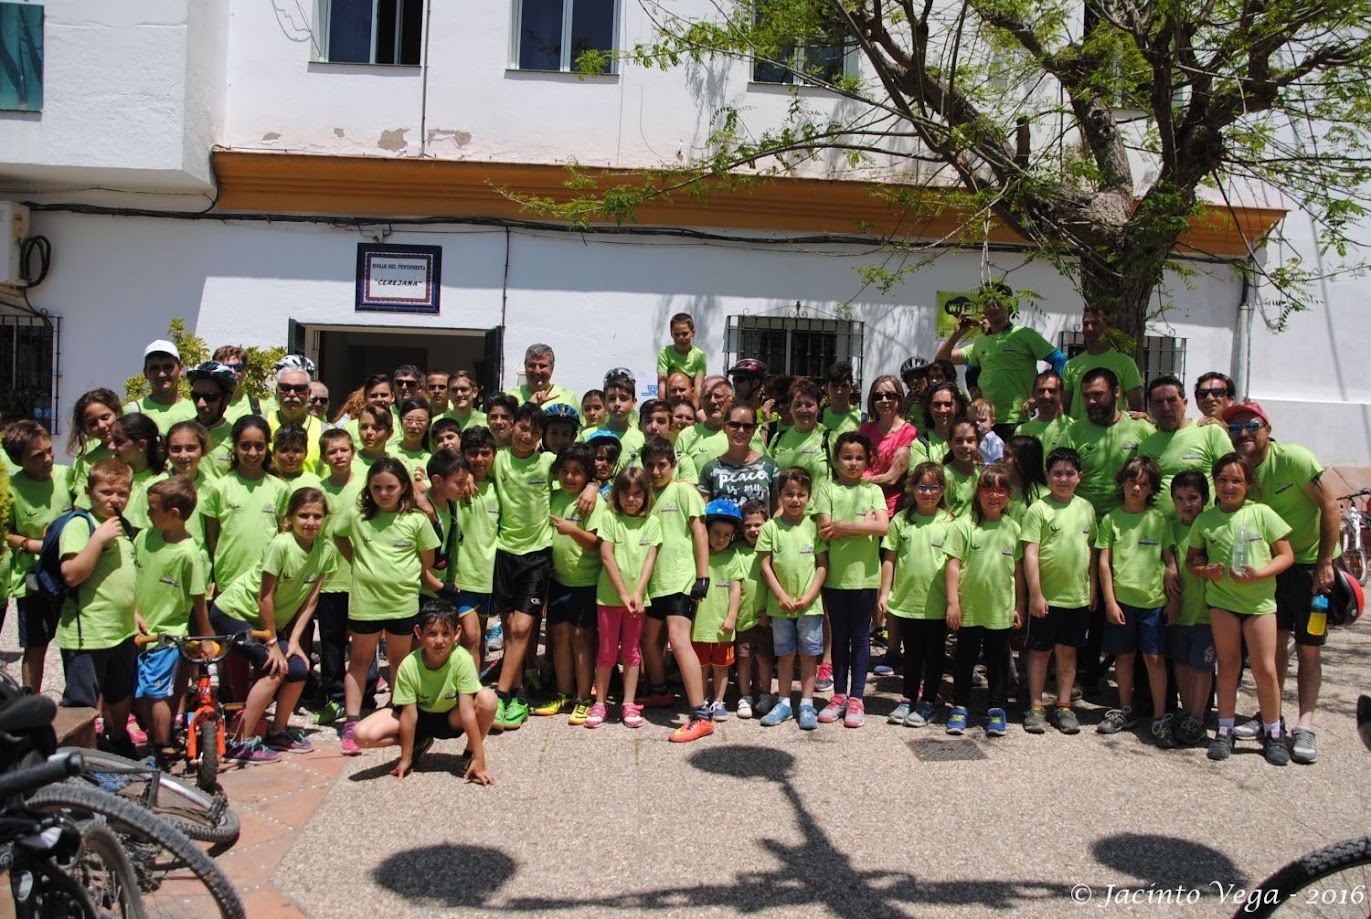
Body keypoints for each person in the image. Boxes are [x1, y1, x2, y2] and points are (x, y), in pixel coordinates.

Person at [1224, 401, 1340, 765]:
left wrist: (1325, 563)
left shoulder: (1293, 459)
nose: (1243, 433)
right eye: (1235, 428)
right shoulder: (1241, 472)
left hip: (1309, 569)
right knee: (1273, 648)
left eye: (1251, 426)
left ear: (1267, 429)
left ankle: (1305, 725)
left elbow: (1330, 506)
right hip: (1271, 569)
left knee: (1308, 648)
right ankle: (1269, 715)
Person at [210, 487, 333, 762]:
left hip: (266, 624)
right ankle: (240, 742)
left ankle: (277, 732)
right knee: (274, 668)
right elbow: (264, 597)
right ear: (289, 518)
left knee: (298, 670)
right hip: (233, 612)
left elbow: (310, 602)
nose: (310, 522)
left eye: (317, 516)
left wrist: (295, 642)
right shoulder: (281, 545)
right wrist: (273, 642)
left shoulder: (325, 550)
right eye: (303, 515)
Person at [1186, 453, 1294, 766]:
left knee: (1265, 669)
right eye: (1222, 480)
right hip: (1223, 602)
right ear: (1214, 483)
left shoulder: (1261, 513)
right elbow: (1192, 560)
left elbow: (1286, 555)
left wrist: (1260, 574)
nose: (1229, 486)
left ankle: (1273, 732)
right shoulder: (1206, 520)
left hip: (1259, 604)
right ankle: (1225, 730)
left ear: (1248, 484)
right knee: (1228, 666)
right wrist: (1204, 570)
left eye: (1237, 480)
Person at [334, 458, 445, 754]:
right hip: (365, 602)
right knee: (359, 661)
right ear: (368, 488)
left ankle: (397, 714)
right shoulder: (357, 516)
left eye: (390, 487)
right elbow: (338, 536)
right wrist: (358, 562)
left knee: (399, 661)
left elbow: (427, 558)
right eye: (376, 488)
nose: (383, 493)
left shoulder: (416, 520)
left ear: (404, 487)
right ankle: (351, 721)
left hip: (402, 602)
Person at [352, 603, 496, 784]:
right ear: (419, 633)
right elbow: (409, 715)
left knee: (488, 699)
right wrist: (405, 758)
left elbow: (467, 712)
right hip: (419, 718)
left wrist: (480, 757)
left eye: (446, 633)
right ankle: (417, 743)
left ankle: (470, 755)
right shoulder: (409, 665)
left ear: (457, 633)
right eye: (432, 633)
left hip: (450, 719)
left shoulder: (462, 659)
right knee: (361, 735)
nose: (439, 640)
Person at [1095, 456, 1179, 743]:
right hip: (1122, 601)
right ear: (1122, 482)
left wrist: (1174, 600)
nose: (1136, 489)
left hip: (1153, 602)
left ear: (1152, 488)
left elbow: (1170, 561)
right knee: (1124, 657)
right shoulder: (1111, 520)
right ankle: (1124, 709)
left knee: (1154, 659)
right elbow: (1104, 563)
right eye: (1132, 482)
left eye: (1144, 484)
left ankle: (1160, 716)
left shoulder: (1159, 519)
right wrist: (1109, 601)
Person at [57, 458, 138, 754]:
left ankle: (116, 743)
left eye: (122, 493)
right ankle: (81, 758)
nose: (114, 499)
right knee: (82, 704)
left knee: (120, 693)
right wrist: (97, 540)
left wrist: (135, 613)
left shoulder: (123, 528)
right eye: (106, 492)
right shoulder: (81, 525)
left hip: (121, 630)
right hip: (89, 632)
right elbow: (71, 574)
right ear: (89, 491)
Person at [637, 436, 714, 741]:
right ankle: (660, 691)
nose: (656, 471)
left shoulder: (683, 491)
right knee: (648, 641)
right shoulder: (643, 495)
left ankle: (700, 715)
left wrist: (703, 576)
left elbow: (699, 532)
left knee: (679, 640)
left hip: (680, 578)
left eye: (662, 465)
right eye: (650, 465)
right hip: (654, 582)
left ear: (673, 464)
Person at [488, 404, 560, 730]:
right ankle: (517, 696)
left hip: (537, 555)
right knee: (509, 632)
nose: (527, 435)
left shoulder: (547, 462)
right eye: (522, 427)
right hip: (504, 552)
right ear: (512, 426)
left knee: (521, 629)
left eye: (534, 431)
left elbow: (584, 472)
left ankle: (502, 695)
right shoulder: (498, 459)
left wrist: (590, 486)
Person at [133, 479, 212, 759]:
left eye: (153, 509)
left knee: (159, 695)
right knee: (139, 692)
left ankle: (161, 746)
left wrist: (205, 638)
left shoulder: (190, 555)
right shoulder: (144, 537)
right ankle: (154, 737)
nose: (148, 514)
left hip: (166, 637)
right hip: (134, 631)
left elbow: (199, 601)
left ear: (174, 513)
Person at [944, 463, 1024, 737]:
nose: (994, 496)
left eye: (1001, 490)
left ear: (1009, 495)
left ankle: (996, 708)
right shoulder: (964, 525)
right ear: (978, 493)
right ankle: (959, 706)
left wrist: (1019, 605)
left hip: (1000, 610)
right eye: (988, 489)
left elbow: (1019, 572)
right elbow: (953, 565)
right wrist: (953, 603)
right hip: (968, 608)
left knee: (998, 661)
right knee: (964, 659)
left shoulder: (1013, 528)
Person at [1020, 447, 1096, 735]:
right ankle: (1036, 706)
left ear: (1079, 477)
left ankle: (1063, 705)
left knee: (1068, 653)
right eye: (1057, 473)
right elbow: (1030, 554)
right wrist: (1036, 594)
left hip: (1076, 597)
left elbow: (1091, 551)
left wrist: (1092, 589)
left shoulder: (1086, 508)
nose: (1063, 479)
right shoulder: (1038, 509)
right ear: (1047, 475)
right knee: (1040, 652)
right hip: (1047, 598)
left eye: (1069, 474)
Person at [815, 432, 888, 728]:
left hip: (865, 578)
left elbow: (883, 527)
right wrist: (863, 525)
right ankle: (839, 695)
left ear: (867, 461)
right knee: (839, 637)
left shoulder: (873, 491)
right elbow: (825, 529)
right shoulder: (827, 489)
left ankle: (857, 697)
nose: (853, 463)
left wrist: (846, 525)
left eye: (859, 458)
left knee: (860, 637)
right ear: (836, 460)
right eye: (847, 457)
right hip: (835, 577)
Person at [934, 282, 1067, 438]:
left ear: (1009, 305)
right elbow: (957, 364)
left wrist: (1039, 396)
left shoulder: (1024, 334)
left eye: (997, 302)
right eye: (987, 303)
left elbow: (1059, 359)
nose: (992, 307)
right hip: (985, 421)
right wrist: (972, 387)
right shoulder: (980, 341)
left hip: (1016, 420)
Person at [879, 461, 953, 728]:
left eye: (934, 487)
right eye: (922, 486)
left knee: (934, 654)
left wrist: (954, 601)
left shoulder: (950, 523)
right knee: (911, 654)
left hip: (936, 602)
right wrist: (884, 593)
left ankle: (928, 701)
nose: (928, 493)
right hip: (907, 600)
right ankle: (908, 698)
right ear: (912, 488)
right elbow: (889, 559)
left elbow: (956, 565)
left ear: (942, 490)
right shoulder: (901, 520)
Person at [587, 466, 661, 730]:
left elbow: (650, 560)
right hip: (609, 598)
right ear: (616, 495)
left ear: (646, 495)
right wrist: (622, 592)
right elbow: (606, 556)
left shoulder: (652, 522)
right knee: (607, 652)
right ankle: (600, 702)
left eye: (637, 494)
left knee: (631, 651)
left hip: (637, 600)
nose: (631, 499)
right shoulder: (609, 518)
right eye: (626, 493)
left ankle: (628, 702)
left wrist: (638, 592)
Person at [4, 420, 74, 692]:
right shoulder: (12, 490)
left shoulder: (67, 477)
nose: (47, 459)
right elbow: (5, 532)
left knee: (74, 644)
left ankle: (76, 702)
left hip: (70, 573)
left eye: (49, 450)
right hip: (33, 579)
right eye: (37, 456)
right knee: (36, 645)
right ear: (18, 461)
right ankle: (30, 701)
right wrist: (31, 545)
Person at [757, 467, 829, 730]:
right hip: (780, 606)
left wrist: (810, 596)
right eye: (789, 494)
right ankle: (784, 702)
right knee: (785, 655)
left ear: (809, 496)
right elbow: (765, 565)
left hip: (810, 606)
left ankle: (807, 703)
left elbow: (822, 565)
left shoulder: (813, 528)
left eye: (801, 494)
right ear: (780, 495)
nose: (795, 500)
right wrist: (780, 595)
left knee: (809, 656)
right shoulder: (770, 528)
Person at [539, 443, 603, 721]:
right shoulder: (553, 496)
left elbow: (596, 543)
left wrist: (572, 530)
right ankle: (563, 693)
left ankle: (583, 696)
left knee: (582, 638)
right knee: (560, 636)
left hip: (585, 582)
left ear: (587, 474)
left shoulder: (592, 502)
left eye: (577, 472)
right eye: (564, 470)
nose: (569, 477)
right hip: (558, 580)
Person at [313, 428, 367, 726]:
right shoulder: (318, 490)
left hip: (362, 576)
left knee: (363, 640)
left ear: (353, 452)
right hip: (329, 577)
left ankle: (365, 695)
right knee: (331, 640)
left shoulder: (365, 487)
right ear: (323, 457)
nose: (338, 456)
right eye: (332, 452)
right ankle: (334, 696)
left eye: (343, 450)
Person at [202, 416, 291, 594]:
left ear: (267, 447)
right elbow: (213, 540)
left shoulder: (280, 488)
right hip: (229, 579)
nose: (252, 453)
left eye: (259, 446)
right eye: (245, 446)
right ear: (235, 447)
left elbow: (284, 535)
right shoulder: (219, 488)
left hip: (266, 578)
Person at [1060, 367, 1155, 518]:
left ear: (1116, 392)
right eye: (1086, 396)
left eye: (1098, 394)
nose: (1091, 401)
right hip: (1084, 522)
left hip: (1130, 522)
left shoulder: (1142, 429)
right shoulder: (1072, 433)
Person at [1135, 375, 1234, 515]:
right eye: (1158, 402)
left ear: (1185, 403)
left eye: (1172, 400)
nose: (1166, 408)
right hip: (1161, 526)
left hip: (1203, 525)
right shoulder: (1146, 445)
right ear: (1150, 407)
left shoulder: (1210, 432)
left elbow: (1232, 477)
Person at [1167, 470, 1215, 747]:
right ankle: (1186, 711)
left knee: (1202, 665)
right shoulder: (1171, 528)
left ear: (1205, 498)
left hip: (1206, 613)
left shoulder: (1211, 527)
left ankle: (1198, 715)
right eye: (1180, 498)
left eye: (1193, 497)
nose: (1187, 504)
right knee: (1182, 662)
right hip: (1179, 610)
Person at [691, 499, 746, 720]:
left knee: (721, 667)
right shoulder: (696, 554)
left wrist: (732, 616)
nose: (721, 539)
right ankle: (702, 699)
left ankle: (719, 701)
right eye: (716, 533)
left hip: (723, 625)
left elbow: (736, 589)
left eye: (726, 535)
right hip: (698, 625)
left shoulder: (732, 557)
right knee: (701, 667)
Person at [1060, 307, 1145, 416]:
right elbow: (1065, 406)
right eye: (1085, 324)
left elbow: (1137, 407)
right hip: (1078, 426)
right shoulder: (1071, 365)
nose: (1089, 328)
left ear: (1108, 328)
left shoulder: (1125, 363)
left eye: (1095, 323)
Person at [698, 404, 780, 508]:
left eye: (747, 426)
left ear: (754, 430)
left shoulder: (770, 466)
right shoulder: (710, 468)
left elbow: (779, 509)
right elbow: (702, 510)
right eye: (734, 425)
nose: (741, 430)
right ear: (724, 427)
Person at [858, 376, 917, 518]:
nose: (884, 400)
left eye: (890, 396)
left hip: (890, 509)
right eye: (878, 396)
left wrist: (856, 481)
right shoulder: (864, 430)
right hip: (861, 504)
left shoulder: (908, 432)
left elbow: (891, 478)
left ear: (899, 399)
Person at [769, 378, 831, 496]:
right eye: (797, 405)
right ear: (790, 408)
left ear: (818, 408)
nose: (803, 410)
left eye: (809, 405)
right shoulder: (778, 438)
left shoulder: (830, 438)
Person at [105, 413, 167, 532]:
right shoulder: (105, 475)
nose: (111, 447)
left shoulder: (160, 484)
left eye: (119, 441)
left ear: (141, 445)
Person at [125, 339, 196, 433]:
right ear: (145, 373)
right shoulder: (131, 412)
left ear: (180, 370)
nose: (161, 374)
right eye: (155, 368)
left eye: (168, 367)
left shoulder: (196, 411)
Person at [68, 389, 123, 508]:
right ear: (85, 428)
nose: (101, 426)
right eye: (92, 423)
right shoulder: (87, 461)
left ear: (117, 412)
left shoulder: (137, 450)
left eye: (105, 417)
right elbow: (82, 502)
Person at [184, 361, 238, 479]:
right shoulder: (182, 434)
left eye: (210, 397)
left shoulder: (237, 438)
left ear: (227, 399)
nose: (201, 404)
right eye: (196, 396)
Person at [583, 368, 645, 470]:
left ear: (633, 402)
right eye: (612, 398)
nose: (617, 404)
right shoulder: (587, 436)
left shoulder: (641, 439)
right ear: (605, 402)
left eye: (623, 398)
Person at [269, 366, 326, 475]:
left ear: (309, 394)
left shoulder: (325, 431)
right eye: (285, 388)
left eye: (299, 389)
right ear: (276, 391)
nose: (291, 394)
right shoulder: (260, 425)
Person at [675, 378, 732, 482]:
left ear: (731, 400)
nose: (712, 401)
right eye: (707, 396)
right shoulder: (686, 436)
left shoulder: (742, 433)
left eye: (718, 396)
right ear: (701, 401)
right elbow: (676, 476)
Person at [657, 312, 707, 404]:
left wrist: (693, 410)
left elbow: (698, 389)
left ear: (693, 332)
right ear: (671, 334)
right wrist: (663, 408)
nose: (680, 338)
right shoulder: (665, 353)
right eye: (677, 334)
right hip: (671, 401)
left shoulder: (699, 355)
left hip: (691, 402)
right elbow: (662, 385)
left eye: (685, 334)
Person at [507, 344, 577, 408]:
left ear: (552, 368)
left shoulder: (568, 398)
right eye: (532, 365)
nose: (537, 371)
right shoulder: (509, 397)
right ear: (525, 366)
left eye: (542, 366)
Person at [1016, 370, 1069, 449]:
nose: (1046, 396)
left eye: (1052, 391)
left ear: (1062, 395)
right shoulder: (1022, 431)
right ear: (1033, 394)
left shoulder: (1073, 428)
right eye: (1041, 391)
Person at [942, 418, 983, 518]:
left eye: (970, 441)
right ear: (950, 443)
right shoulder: (945, 476)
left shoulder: (982, 474)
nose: (964, 445)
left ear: (978, 443)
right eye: (959, 441)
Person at [822, 361, 862, 435]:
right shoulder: (819, 418)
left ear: (852, 388)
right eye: (834, 386)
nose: (839, 392)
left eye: (844, 386)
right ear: (826, 388)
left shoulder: (862, 418)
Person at [970, 398, 1005, 463]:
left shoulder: (995, 441)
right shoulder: (973, 438)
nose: (977, 423)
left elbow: (999, 463)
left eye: (982, 420)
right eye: (973, 421)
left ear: (992, 422)